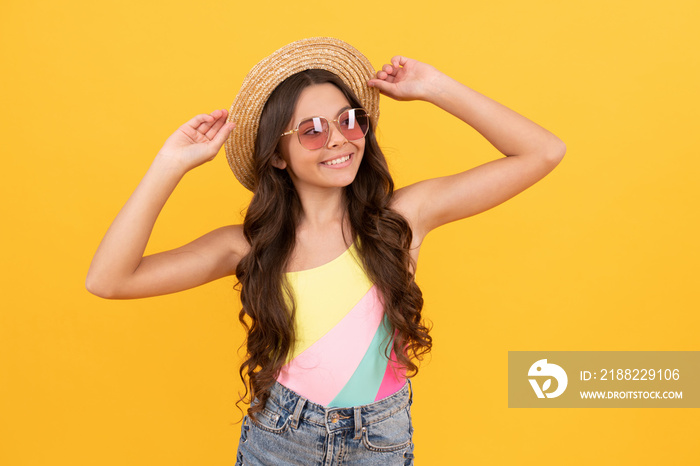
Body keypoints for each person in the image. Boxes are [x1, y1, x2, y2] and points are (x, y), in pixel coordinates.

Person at [86, 37, 565, 465]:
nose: (339, 139)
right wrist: (169, 164)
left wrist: (436, 86)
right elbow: (108, 280)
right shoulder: (247, 246)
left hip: (381, 440)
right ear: (277, 154)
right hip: (280, 441)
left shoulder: (401, 219)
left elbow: (542, 152)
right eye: (312, 130)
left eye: (349, 120)